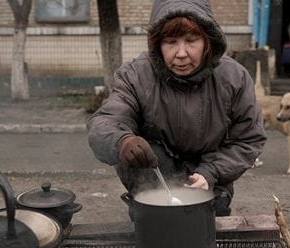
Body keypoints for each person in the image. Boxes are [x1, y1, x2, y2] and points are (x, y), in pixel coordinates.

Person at [87, 0, 266, 217]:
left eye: (192, 40)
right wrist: (121, 142)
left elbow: (248, 138)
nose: (181, 53)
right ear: (157, 44)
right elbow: (104, 123)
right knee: (157, 226)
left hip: (211, 179)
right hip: (154, 177)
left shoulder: (234, 78)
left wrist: (211, 172)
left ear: (208, 40)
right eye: (170, 42)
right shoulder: (135, 76)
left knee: (206, 225)